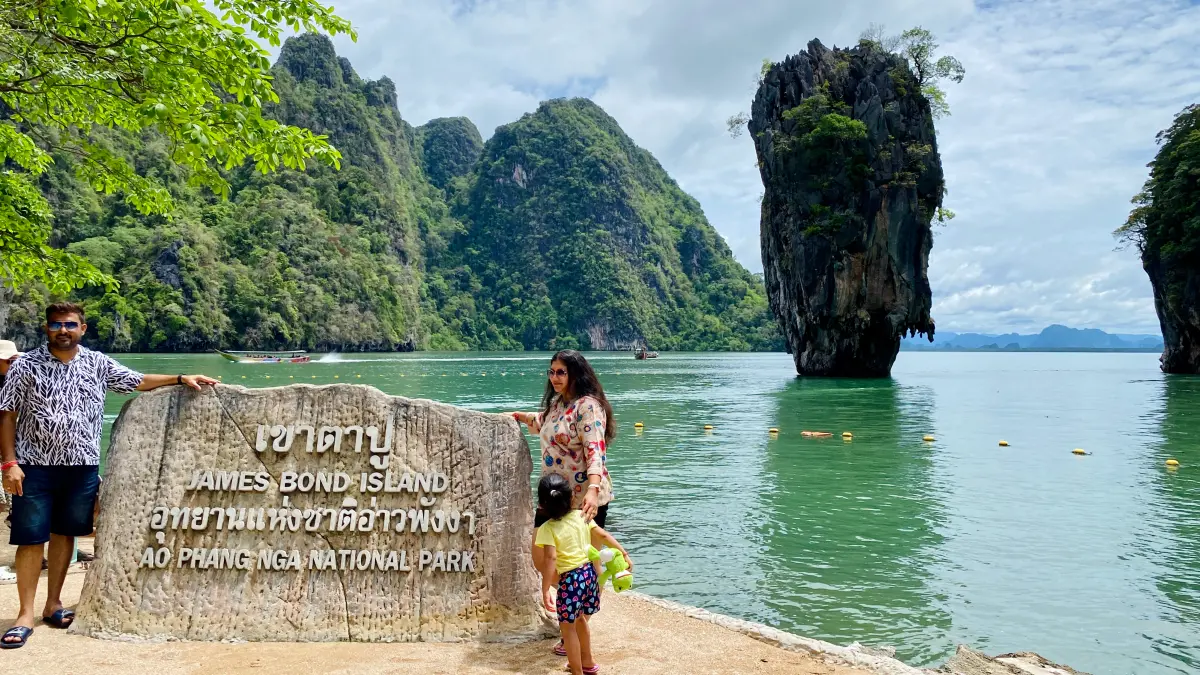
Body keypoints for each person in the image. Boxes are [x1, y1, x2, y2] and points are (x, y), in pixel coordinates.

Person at [0, 302, 218, 649]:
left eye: (70, 324)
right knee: (30, 539)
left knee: (65, 534)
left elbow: (137, 380)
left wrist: (180, 378)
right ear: (47, 328)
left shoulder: (97, 363)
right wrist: (9, 463)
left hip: (81, 466)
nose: (63, 330)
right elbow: (7, 414)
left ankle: (53, 605)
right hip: (34, 465)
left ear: (82, 329)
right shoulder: (25, 365)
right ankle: (24, 615)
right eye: (56, 325)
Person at [509, 349, 625, 656]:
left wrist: (593, 489)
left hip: (583, 499)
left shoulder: (588, 406)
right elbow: (542, 423)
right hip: (554, 497)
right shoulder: (558, 405)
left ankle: (574, 625)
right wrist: (517, 417)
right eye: (551, 372)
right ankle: (573, 611)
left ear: (576, 373)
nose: (555, 377)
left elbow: (595, 451)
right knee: (541, 555)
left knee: (582, 564)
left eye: (561, 372)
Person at [534, 473, 631, 675]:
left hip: (570, 581)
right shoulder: (581, 516)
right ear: (572, 498)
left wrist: (545, 589)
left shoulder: (546, 529)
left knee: (567, 628)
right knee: (580, 620)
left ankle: (577, 671)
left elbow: (551, 559)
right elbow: (603, 535)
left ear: (542, 505)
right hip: (589, 575)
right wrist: (623, 554)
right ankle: (587, 662)